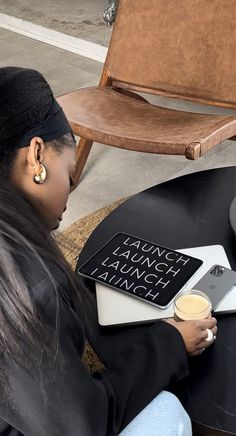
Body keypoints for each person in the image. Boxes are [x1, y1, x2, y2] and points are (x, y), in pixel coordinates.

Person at [0, 66, 217, 436]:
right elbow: (82, 426)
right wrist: (170, 343)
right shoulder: (27, 287)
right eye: (69, 176)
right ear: (36, 156)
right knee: (168, 414)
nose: (68, 198)